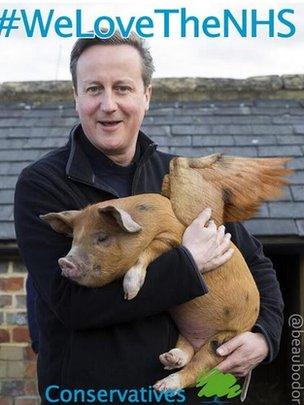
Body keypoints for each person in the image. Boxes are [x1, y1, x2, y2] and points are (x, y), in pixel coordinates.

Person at [14, 32, 283, 404]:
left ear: (147, 96)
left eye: (122, 88)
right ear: (76, 97)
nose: (109, 104)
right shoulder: (43, 185)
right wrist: (186, 263)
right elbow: (72, 305)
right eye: (94, 89)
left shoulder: (184, 177)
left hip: (197, 395)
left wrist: (264, 337)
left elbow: (256, 263)